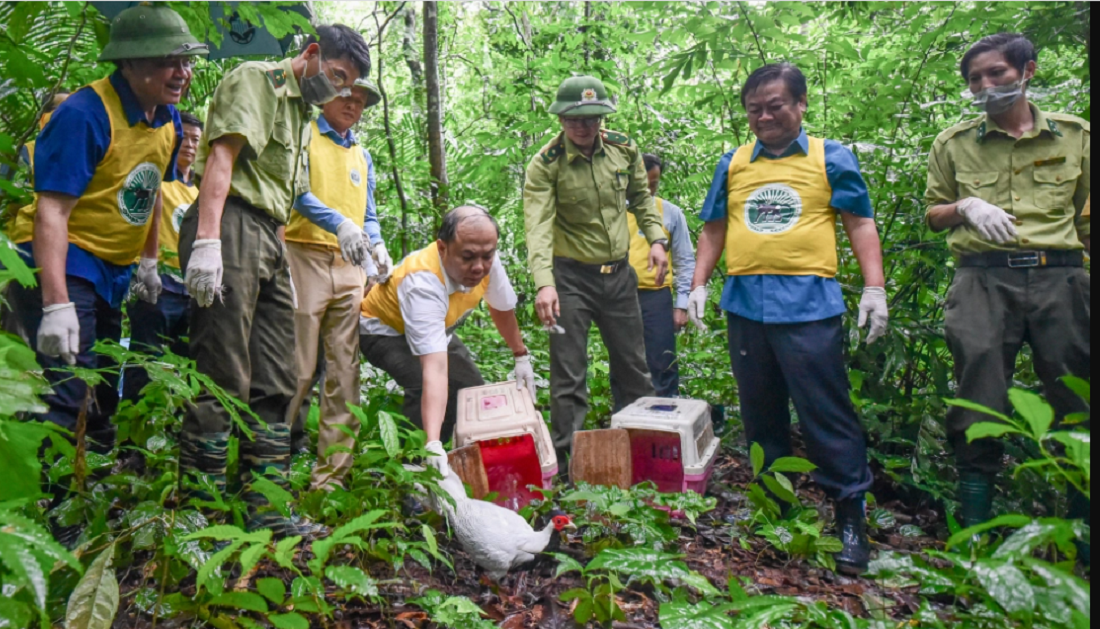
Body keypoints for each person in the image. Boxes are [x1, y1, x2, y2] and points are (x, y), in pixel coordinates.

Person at [688, 63, 888, 576]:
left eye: (775, 105)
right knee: (761, 412)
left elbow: (859, 221)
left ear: (801, 105)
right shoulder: (733, 162)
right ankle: (776, 510)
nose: (765, 116)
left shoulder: (830, 157)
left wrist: (874, 287)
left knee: (826, 412)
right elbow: (714, 228)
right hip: (746, 305)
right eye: (754, 108)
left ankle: (849, 518)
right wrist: (699, 285)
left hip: (809, 306)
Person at [178, 24, 370, 536]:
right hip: (231, 222)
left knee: (280, 375)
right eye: (336, 76)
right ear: (311, 55)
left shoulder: (300, 113)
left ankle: (266, 506)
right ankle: (203, 511)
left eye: (347, 85)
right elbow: (222, 158)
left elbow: (287, 194)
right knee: (223, 369)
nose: (339, 91)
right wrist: (208, 241)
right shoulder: (257, 81)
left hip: (270, 236)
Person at [8, 4, 205, 459]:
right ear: (130, 63)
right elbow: (51, 213)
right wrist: (56, 303)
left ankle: (90, 490)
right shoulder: (85, 114)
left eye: (186, 61)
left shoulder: (168, 117)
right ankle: (54, 511)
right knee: (69, 385)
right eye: (168, 61)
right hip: (62, 257)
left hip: (113, 267)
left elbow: (151, 187)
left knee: (102, 388)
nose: (182, 73)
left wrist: (150, 260)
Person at [923, 33, 1090, 529]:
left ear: (1028, 70)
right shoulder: (953, 144)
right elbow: (933, 214)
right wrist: (965, 207)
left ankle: (1078, 530)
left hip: (1061, 279)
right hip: (983, 281)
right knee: (979, 397)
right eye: (975, 78)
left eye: (996, 73)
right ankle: (975, 530)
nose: (985, 84)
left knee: (1077, 395)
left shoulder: (1076, 135)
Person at [522, 76, 669, 466]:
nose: (583, 127)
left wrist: (657, 240)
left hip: (619, 277)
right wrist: (544, 284)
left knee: (634, 368)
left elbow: (641, 197)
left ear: (602, 117)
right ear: (560, 120)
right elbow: (537, 226)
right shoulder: (545, 164)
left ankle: (641, 451)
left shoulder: (624, 149)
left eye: (591, 118)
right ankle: (571, 462)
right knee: (568, 374)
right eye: (574, 120)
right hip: (570, 279)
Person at [359, 206, 536, 475]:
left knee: (470, 390)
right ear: (443, 248)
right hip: (382, 329)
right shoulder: (422, 281)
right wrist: (430, 441)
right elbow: (435, 369)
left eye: (486, 256)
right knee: (421, 381)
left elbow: (501, 308)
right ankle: (413, 467)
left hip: (436, 330)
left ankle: (459, 462)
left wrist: (521, 356)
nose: (479, 267)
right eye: (467, 257)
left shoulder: (486, 260)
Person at [285, 76, 390, 491]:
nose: (353, 105)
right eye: (347, 95)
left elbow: (369, 213)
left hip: (351, 265)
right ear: (329, 95)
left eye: (361, 101)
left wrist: (377, 244)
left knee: (345, 372)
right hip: (304, 255)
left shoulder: (362, 154)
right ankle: (269, 465)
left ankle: (330, 479)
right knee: (297, 367)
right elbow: (297, 194)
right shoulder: (304, 134)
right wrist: (339, 223)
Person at [121, 111, 203, 402]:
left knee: (185, 364)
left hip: (188, 289)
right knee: (146, 358)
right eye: (186, 138)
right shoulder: (156, 178)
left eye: (196, 140)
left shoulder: (200, 192)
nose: (190, 145)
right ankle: (133, 438)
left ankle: (167, 433)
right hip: (157, 281)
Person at [623, 153, 696, 397]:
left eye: (654, 184)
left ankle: (666, 418)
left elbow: (685, 260)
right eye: (644, 184)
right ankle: (626, 422)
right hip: (619, 296)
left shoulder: (670, 213)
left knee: (662, 361)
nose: (650, 190)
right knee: (625, 363)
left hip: (656, 297)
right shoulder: (612, 212)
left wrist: (682, 305)